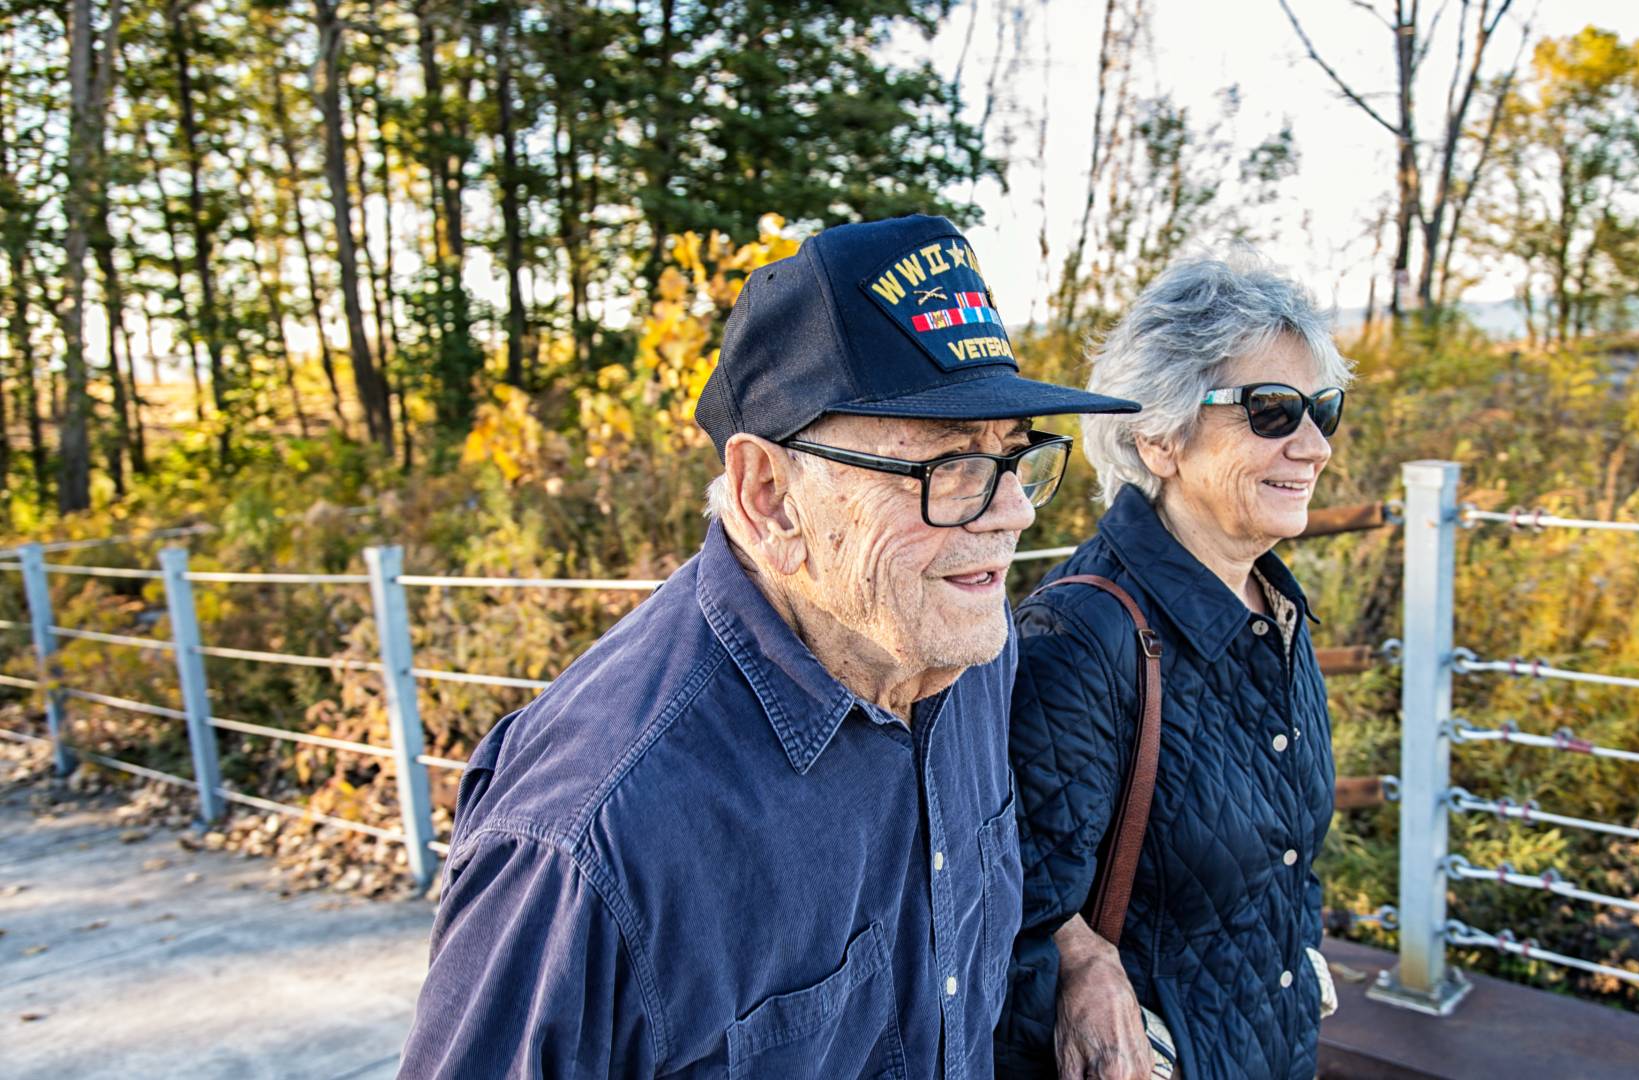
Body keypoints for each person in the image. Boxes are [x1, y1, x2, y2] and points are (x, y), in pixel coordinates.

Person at [397, 214, 1138, 1078]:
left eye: (1014, 459)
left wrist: (1078, 951)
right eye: (949, 467)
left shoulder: (968, 649)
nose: (1012, 511)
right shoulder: (589, 836)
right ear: (770, 495)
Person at [995, 255, 1349, 1080]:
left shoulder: (1273, 607)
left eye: (1323, 408)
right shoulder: (1083, 637)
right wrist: (1077, 954)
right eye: (1270, 411)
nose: (1315, 445)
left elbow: (1284, 866)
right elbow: (1008, 900)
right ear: (1158, 437)